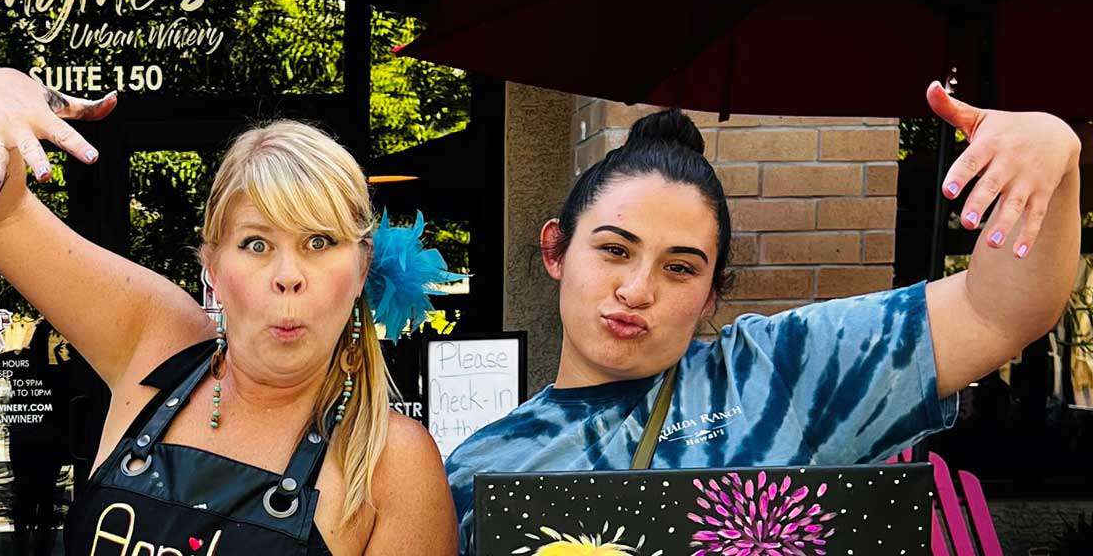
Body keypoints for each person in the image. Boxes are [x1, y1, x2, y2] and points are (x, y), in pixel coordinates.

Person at [443, 85, 1082, 554]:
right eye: (614, 250)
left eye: (680, 268)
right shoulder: (483, 469)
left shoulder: (779, 373)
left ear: (713, 291)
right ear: (556, 250)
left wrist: (1051, 150)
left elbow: (998, 309)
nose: (638, 290)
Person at [0, 68, 458, 555]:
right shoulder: (157, 340)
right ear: (212, 264)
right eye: (256, 244)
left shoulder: (392, 463)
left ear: (362, 268)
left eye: (319, 242)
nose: (288, 275)